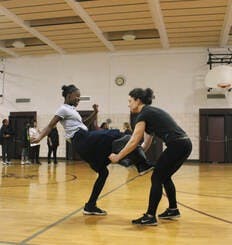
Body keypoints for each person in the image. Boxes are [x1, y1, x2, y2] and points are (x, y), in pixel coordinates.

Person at [31, 84, 152, 216]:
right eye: (76, 96)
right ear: (68, 95)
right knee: (117, 135)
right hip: (82, 139)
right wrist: (39, 138)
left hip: (83, 143)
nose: (78, 99)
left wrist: (95, 113)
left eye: (79, 97)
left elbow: (84, 124)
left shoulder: (72, 111)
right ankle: (140, 164)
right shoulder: (62, 109)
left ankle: (90, 205)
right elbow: (50, 125)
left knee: (103, 172)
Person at [109, 88, 192, 226]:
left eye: (130, 101)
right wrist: (137, 157)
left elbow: (134, 140)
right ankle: (173, 210)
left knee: (157, 177)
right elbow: (145, 144)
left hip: (177, 145)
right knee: (164, 177)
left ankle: (150, 216)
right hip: (184, 144)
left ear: (138, 100)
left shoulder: (144, 114)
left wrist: (118, 157)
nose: (128, 105)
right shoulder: (151, 113)